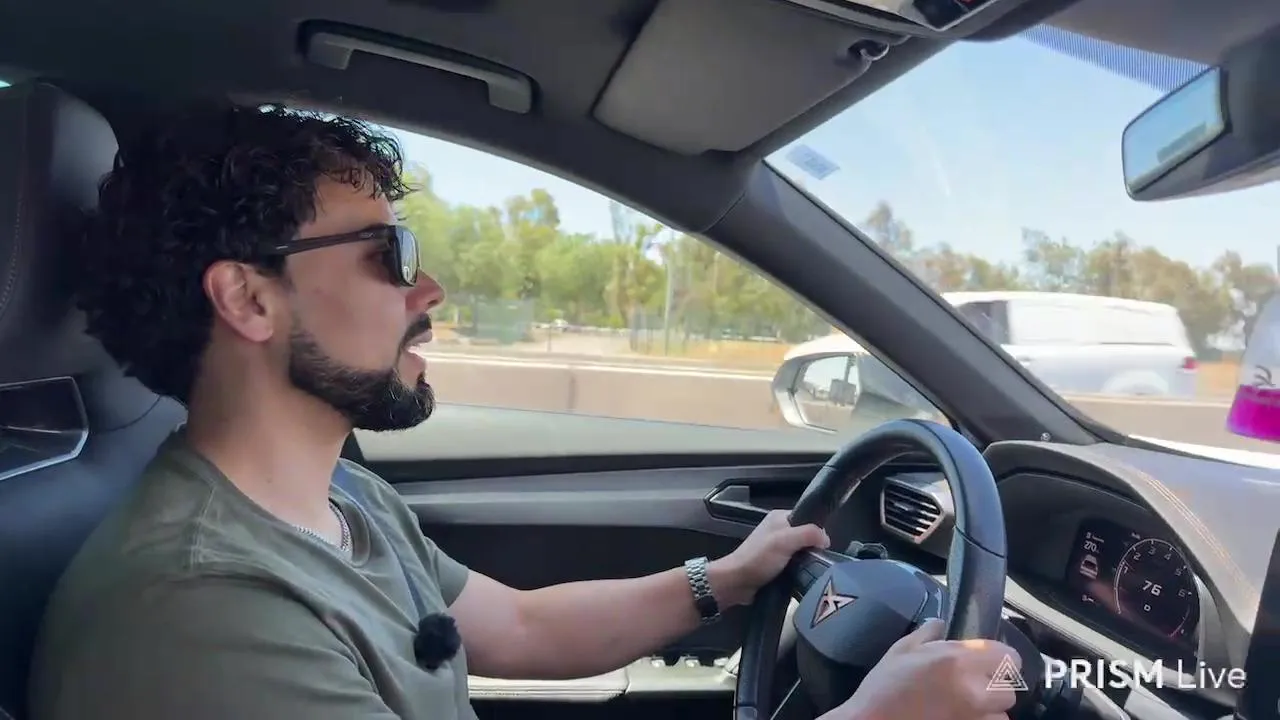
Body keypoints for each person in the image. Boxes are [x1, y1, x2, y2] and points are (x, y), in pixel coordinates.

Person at [26, 104, 1021, 720]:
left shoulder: (339, 501)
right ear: (248, 299)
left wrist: (725, 580)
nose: (429, 291)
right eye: (388, 255)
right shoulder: (203, 613)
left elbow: (520, 625)